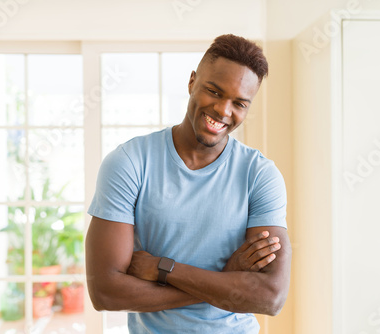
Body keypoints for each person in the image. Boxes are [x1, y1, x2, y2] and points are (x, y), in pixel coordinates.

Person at [85, 34, 292, 333]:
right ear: (192, 82)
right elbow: (106, 292)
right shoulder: (129, 162)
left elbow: (270, 298)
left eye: (239, 103)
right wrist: (225, 278)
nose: (223, 110)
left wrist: (163, 269)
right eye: (214, 91)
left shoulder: (260, 175)